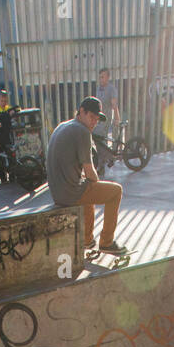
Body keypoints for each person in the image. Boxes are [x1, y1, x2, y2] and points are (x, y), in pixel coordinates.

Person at [46, 96, 126, 257]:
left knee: (87, 190)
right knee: (116, 191)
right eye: (91, 117)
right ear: (81, 112)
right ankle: (107, 242)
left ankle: (87, 240)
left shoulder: (63, 126)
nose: (93, 122)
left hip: (57, 193)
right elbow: (90, 172)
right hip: (69, 193)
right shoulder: (82, 131)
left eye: (97, 120)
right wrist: (95, 182)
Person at [93, 67, 121, 169]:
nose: (101, 79)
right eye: (99, 77)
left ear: (108, 77)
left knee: (98, 137)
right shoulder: (98, 88)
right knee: (98, 139)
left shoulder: (111, 89)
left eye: (103, 77)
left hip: (106, 118)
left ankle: (103, 161)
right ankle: (109, 157)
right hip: (99, 118)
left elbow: (114, 105)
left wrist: (117, 118)